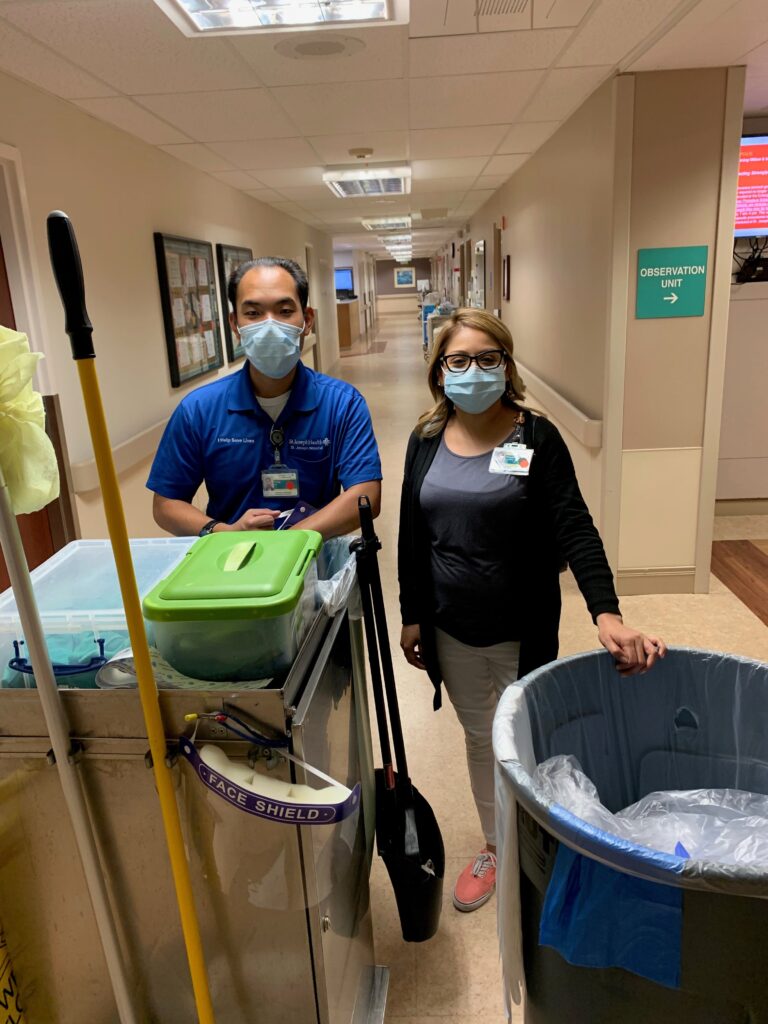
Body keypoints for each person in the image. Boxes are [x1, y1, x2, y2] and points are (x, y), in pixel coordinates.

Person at [397, 308, 666, 913]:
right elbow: (412, 533)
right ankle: (496, 844)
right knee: (476, 736)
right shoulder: (424, 439)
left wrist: (607, 612)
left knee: (527, 732)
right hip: (451, 625)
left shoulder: (535, 437)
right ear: (440, 372)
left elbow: (574, 527)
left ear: (507, 365)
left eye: (488, 358)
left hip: (521, 624)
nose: (473, 371)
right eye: (458, 360)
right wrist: (413, 612)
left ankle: (539, 839)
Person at [148, 257, 381, 539]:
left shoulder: (342, 404)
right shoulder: (199, 409)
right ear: (235, 324)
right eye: (254, 313)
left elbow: (365, 495)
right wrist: (224, 533)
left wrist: (288, 542)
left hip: (316, 560)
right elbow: (166, 504)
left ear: (306, 321)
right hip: (232, 565)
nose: (270, 325)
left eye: (284, 311)